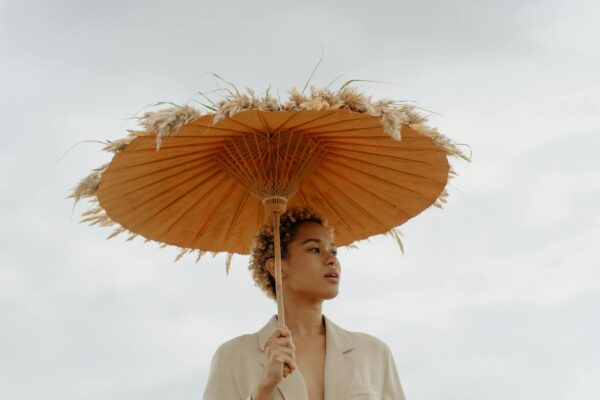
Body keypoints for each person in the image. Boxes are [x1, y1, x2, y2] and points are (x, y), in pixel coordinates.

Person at [203, 208, 406, 400]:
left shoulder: (375, 354)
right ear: (277, 267)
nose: (331, 260)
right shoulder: (232, 357)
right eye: (315, 249)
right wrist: (265, 387)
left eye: (334, 252)